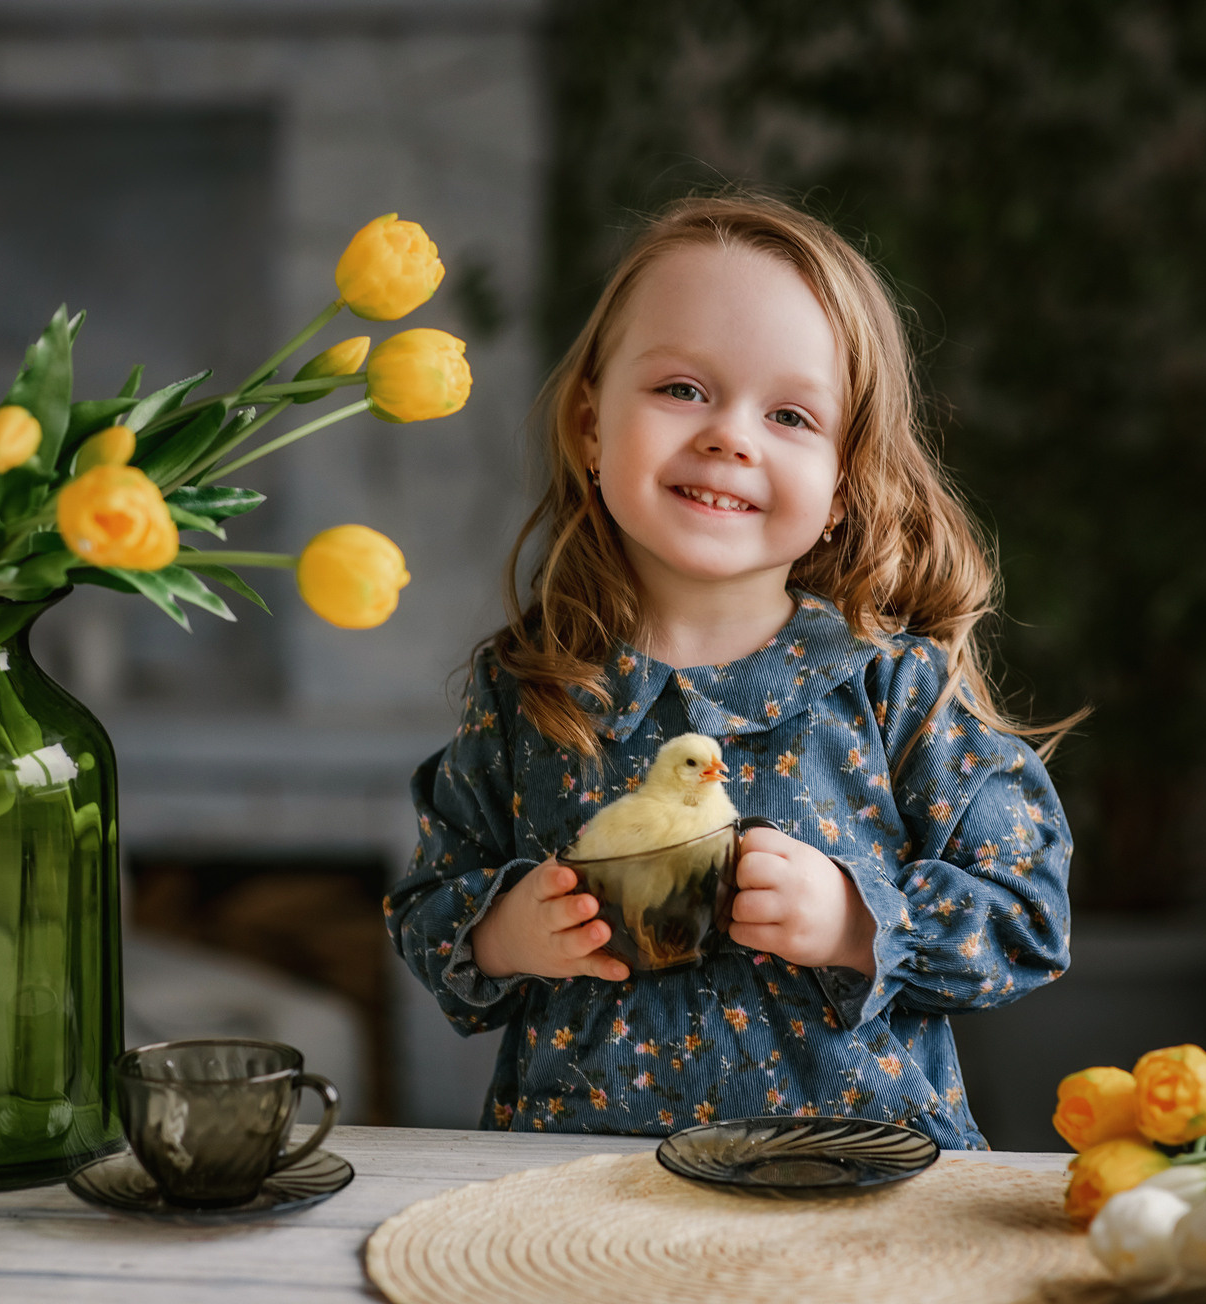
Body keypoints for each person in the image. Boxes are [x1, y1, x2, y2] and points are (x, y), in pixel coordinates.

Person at [384, 193, 1076, 1147]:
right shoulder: (530, 687)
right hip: (579, 1201)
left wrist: (855, 921)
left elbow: (1029, 916)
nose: (730, 437)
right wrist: (503, 933)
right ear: (590, 425)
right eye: (681, 390)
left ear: (844, 483)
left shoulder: (895, 689)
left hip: (856, 1197)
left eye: (790, 414)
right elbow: (426, 900)